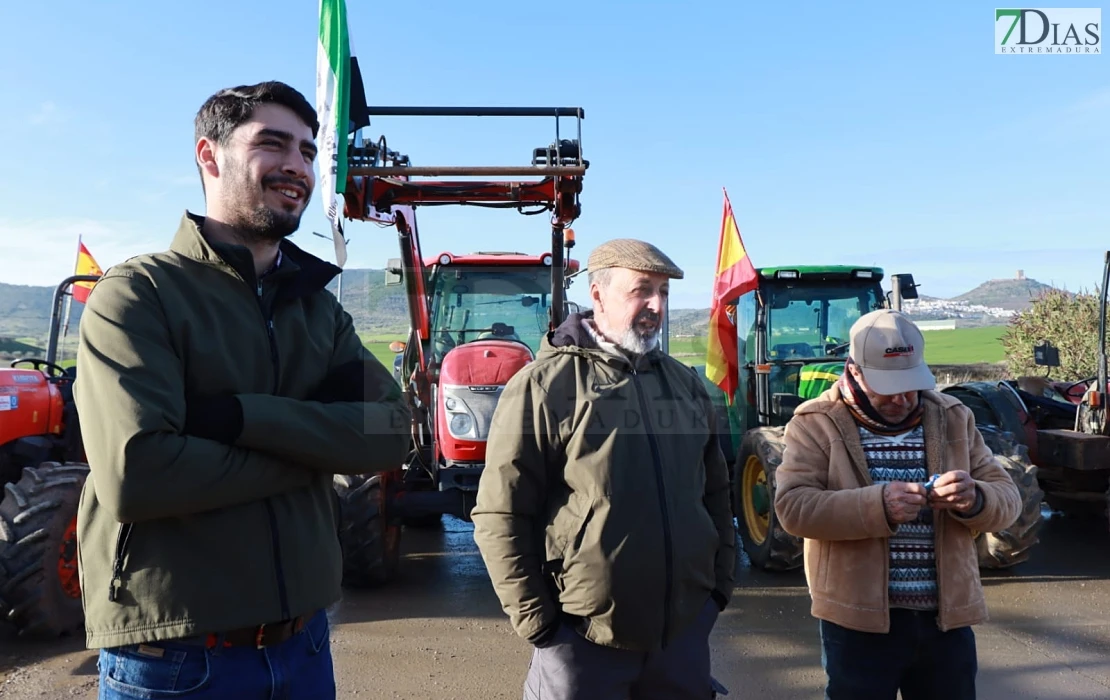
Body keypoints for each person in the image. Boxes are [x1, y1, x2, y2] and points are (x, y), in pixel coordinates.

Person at [72, 81, 411, 699]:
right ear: (210, 156)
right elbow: (139, 475)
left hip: (305, 647)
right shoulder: (139, 296)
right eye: (273, 144)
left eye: (308, 151)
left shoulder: (318, 313)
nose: (297, 166)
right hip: (176, 659)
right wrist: (320, 451)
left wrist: (238, 418)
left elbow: (391, 434)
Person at [471, 238, 736, 700]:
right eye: (642, 290)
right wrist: (541, 625)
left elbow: (715, 493)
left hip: (682, 639)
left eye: (663, 293)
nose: (656, 305)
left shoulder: (686, 386)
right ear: (597, 295)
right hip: (583, 641)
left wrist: (717, 592)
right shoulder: (544, 386)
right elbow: (501, 514)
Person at [773, 309, 1021, 700]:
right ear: (853, 370)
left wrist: (975, 498)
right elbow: (793, 508)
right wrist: (879, 506)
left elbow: (1008, 501)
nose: (903, 398)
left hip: (946, 622)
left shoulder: (954, 416)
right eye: (888, 387)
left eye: (910, 384)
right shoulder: (815, 422)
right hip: (858, 626)